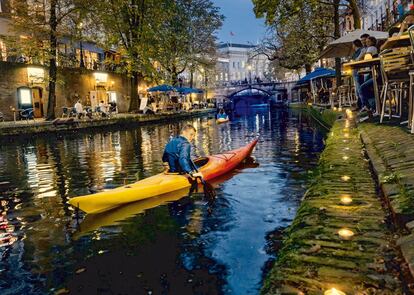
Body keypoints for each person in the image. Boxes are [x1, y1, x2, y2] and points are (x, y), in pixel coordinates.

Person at [351, 39, 364, 108]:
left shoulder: (361, 50)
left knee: (359, 89)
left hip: (358, 72)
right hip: (356, 72)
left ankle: (363, 105)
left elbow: (356, 60)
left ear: (355, 44)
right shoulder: (355, 53)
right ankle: (360, 105)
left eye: (353, 44)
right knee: (357, 90)